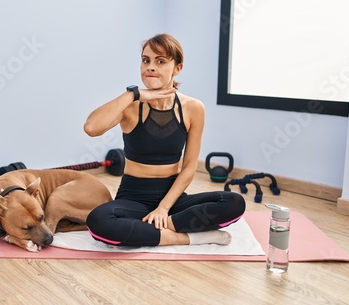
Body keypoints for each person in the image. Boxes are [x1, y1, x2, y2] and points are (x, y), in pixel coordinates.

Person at [83, 33, 245, 247]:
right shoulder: (131, 106)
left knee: (234, 202)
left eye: (160, 61)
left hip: (173, 197)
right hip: (133, 197)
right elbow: (91, 128)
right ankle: (185, 237)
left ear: (177, 68)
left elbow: (188, 168)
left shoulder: (193, 108)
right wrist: (133, 94)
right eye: (145, 60)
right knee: (98, 222)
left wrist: (163, 209)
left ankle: (155, 228)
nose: (150, 67)